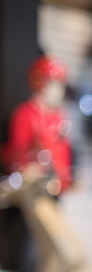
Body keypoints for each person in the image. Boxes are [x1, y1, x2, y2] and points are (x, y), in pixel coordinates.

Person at [2, 55, 72, 194]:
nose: (58, 90)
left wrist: (65, 179)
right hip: (34, 189)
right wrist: (29, 168)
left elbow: (64, 153)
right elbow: (17, 154)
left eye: (60, 85)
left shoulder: (59, 117)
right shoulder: (24, 114)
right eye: (53, 84)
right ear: (40, 82)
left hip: (57, 189)